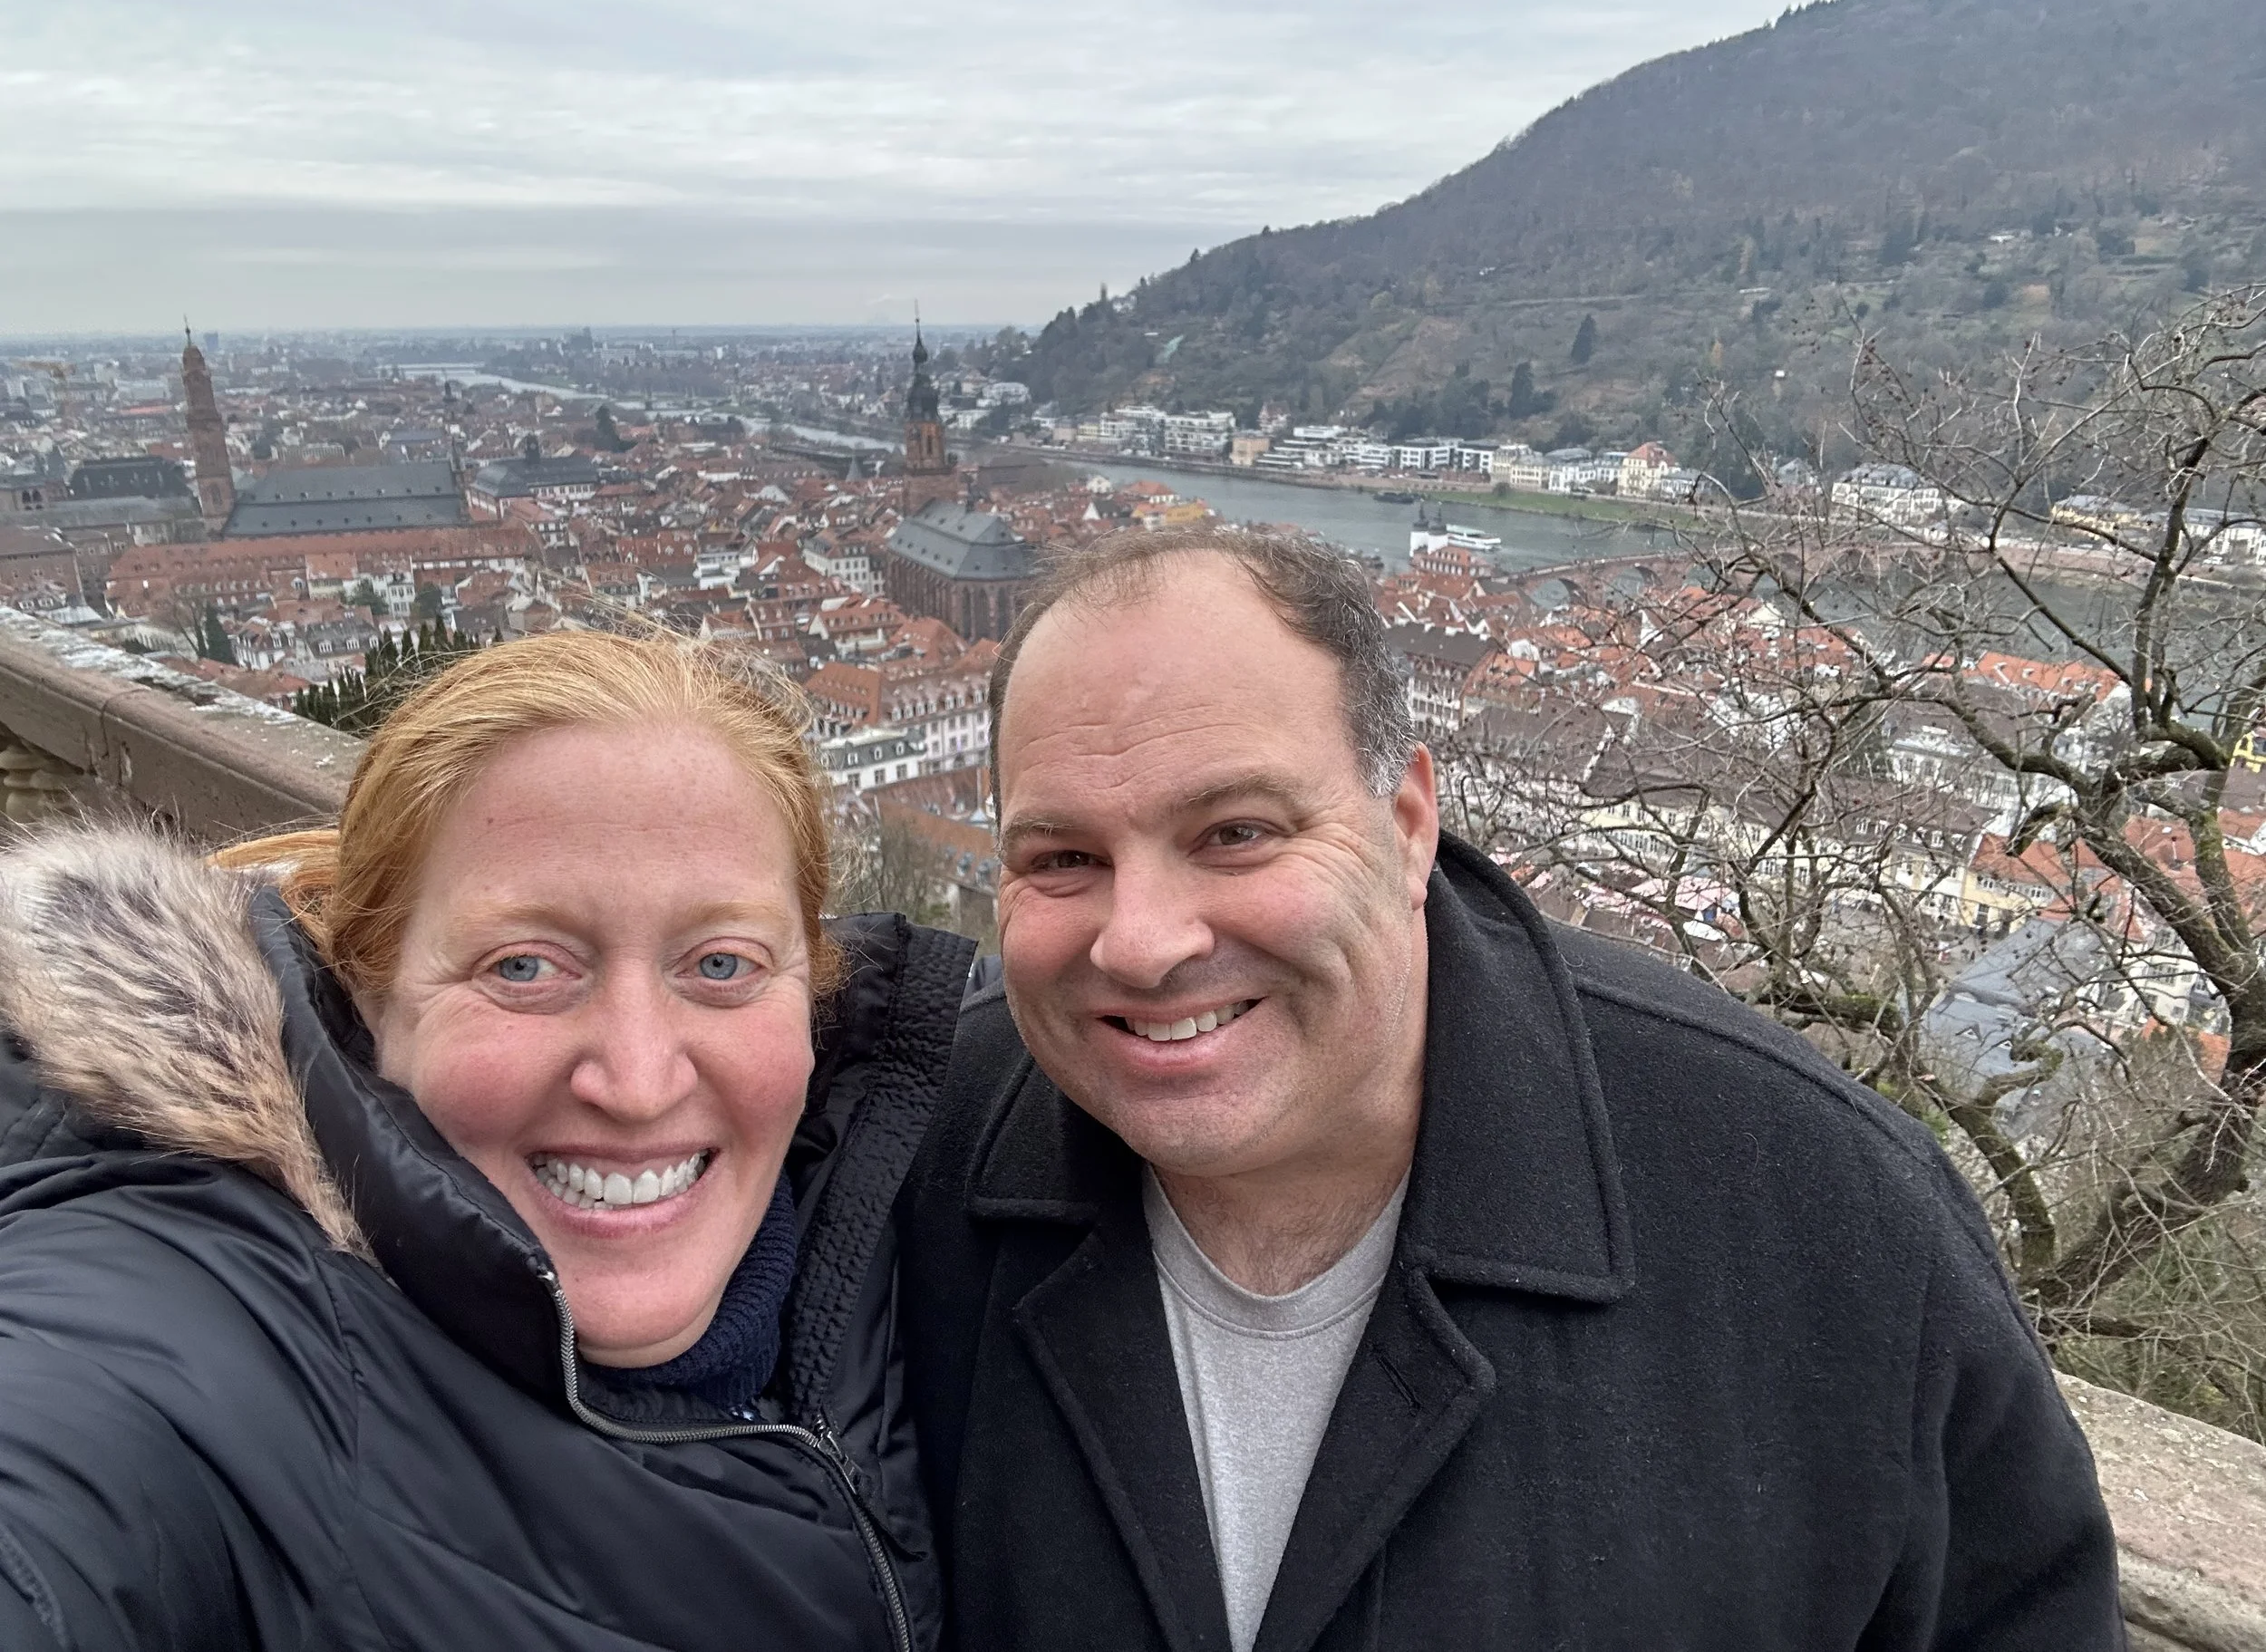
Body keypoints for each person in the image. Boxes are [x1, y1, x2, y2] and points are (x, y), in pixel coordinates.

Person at [897, 527, 2124, 1651]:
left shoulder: (1832, 1225)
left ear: (1410, 818)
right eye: (1062, 857)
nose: (1143, 940)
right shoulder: (898, 1171)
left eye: (1238, 832)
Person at [0, 630, 973, 1651]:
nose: (638, 1085)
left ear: (815, 990)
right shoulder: (207, 1319)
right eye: (523, 968)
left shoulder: (891, 1187)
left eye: (721, 964)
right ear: (370, 986)